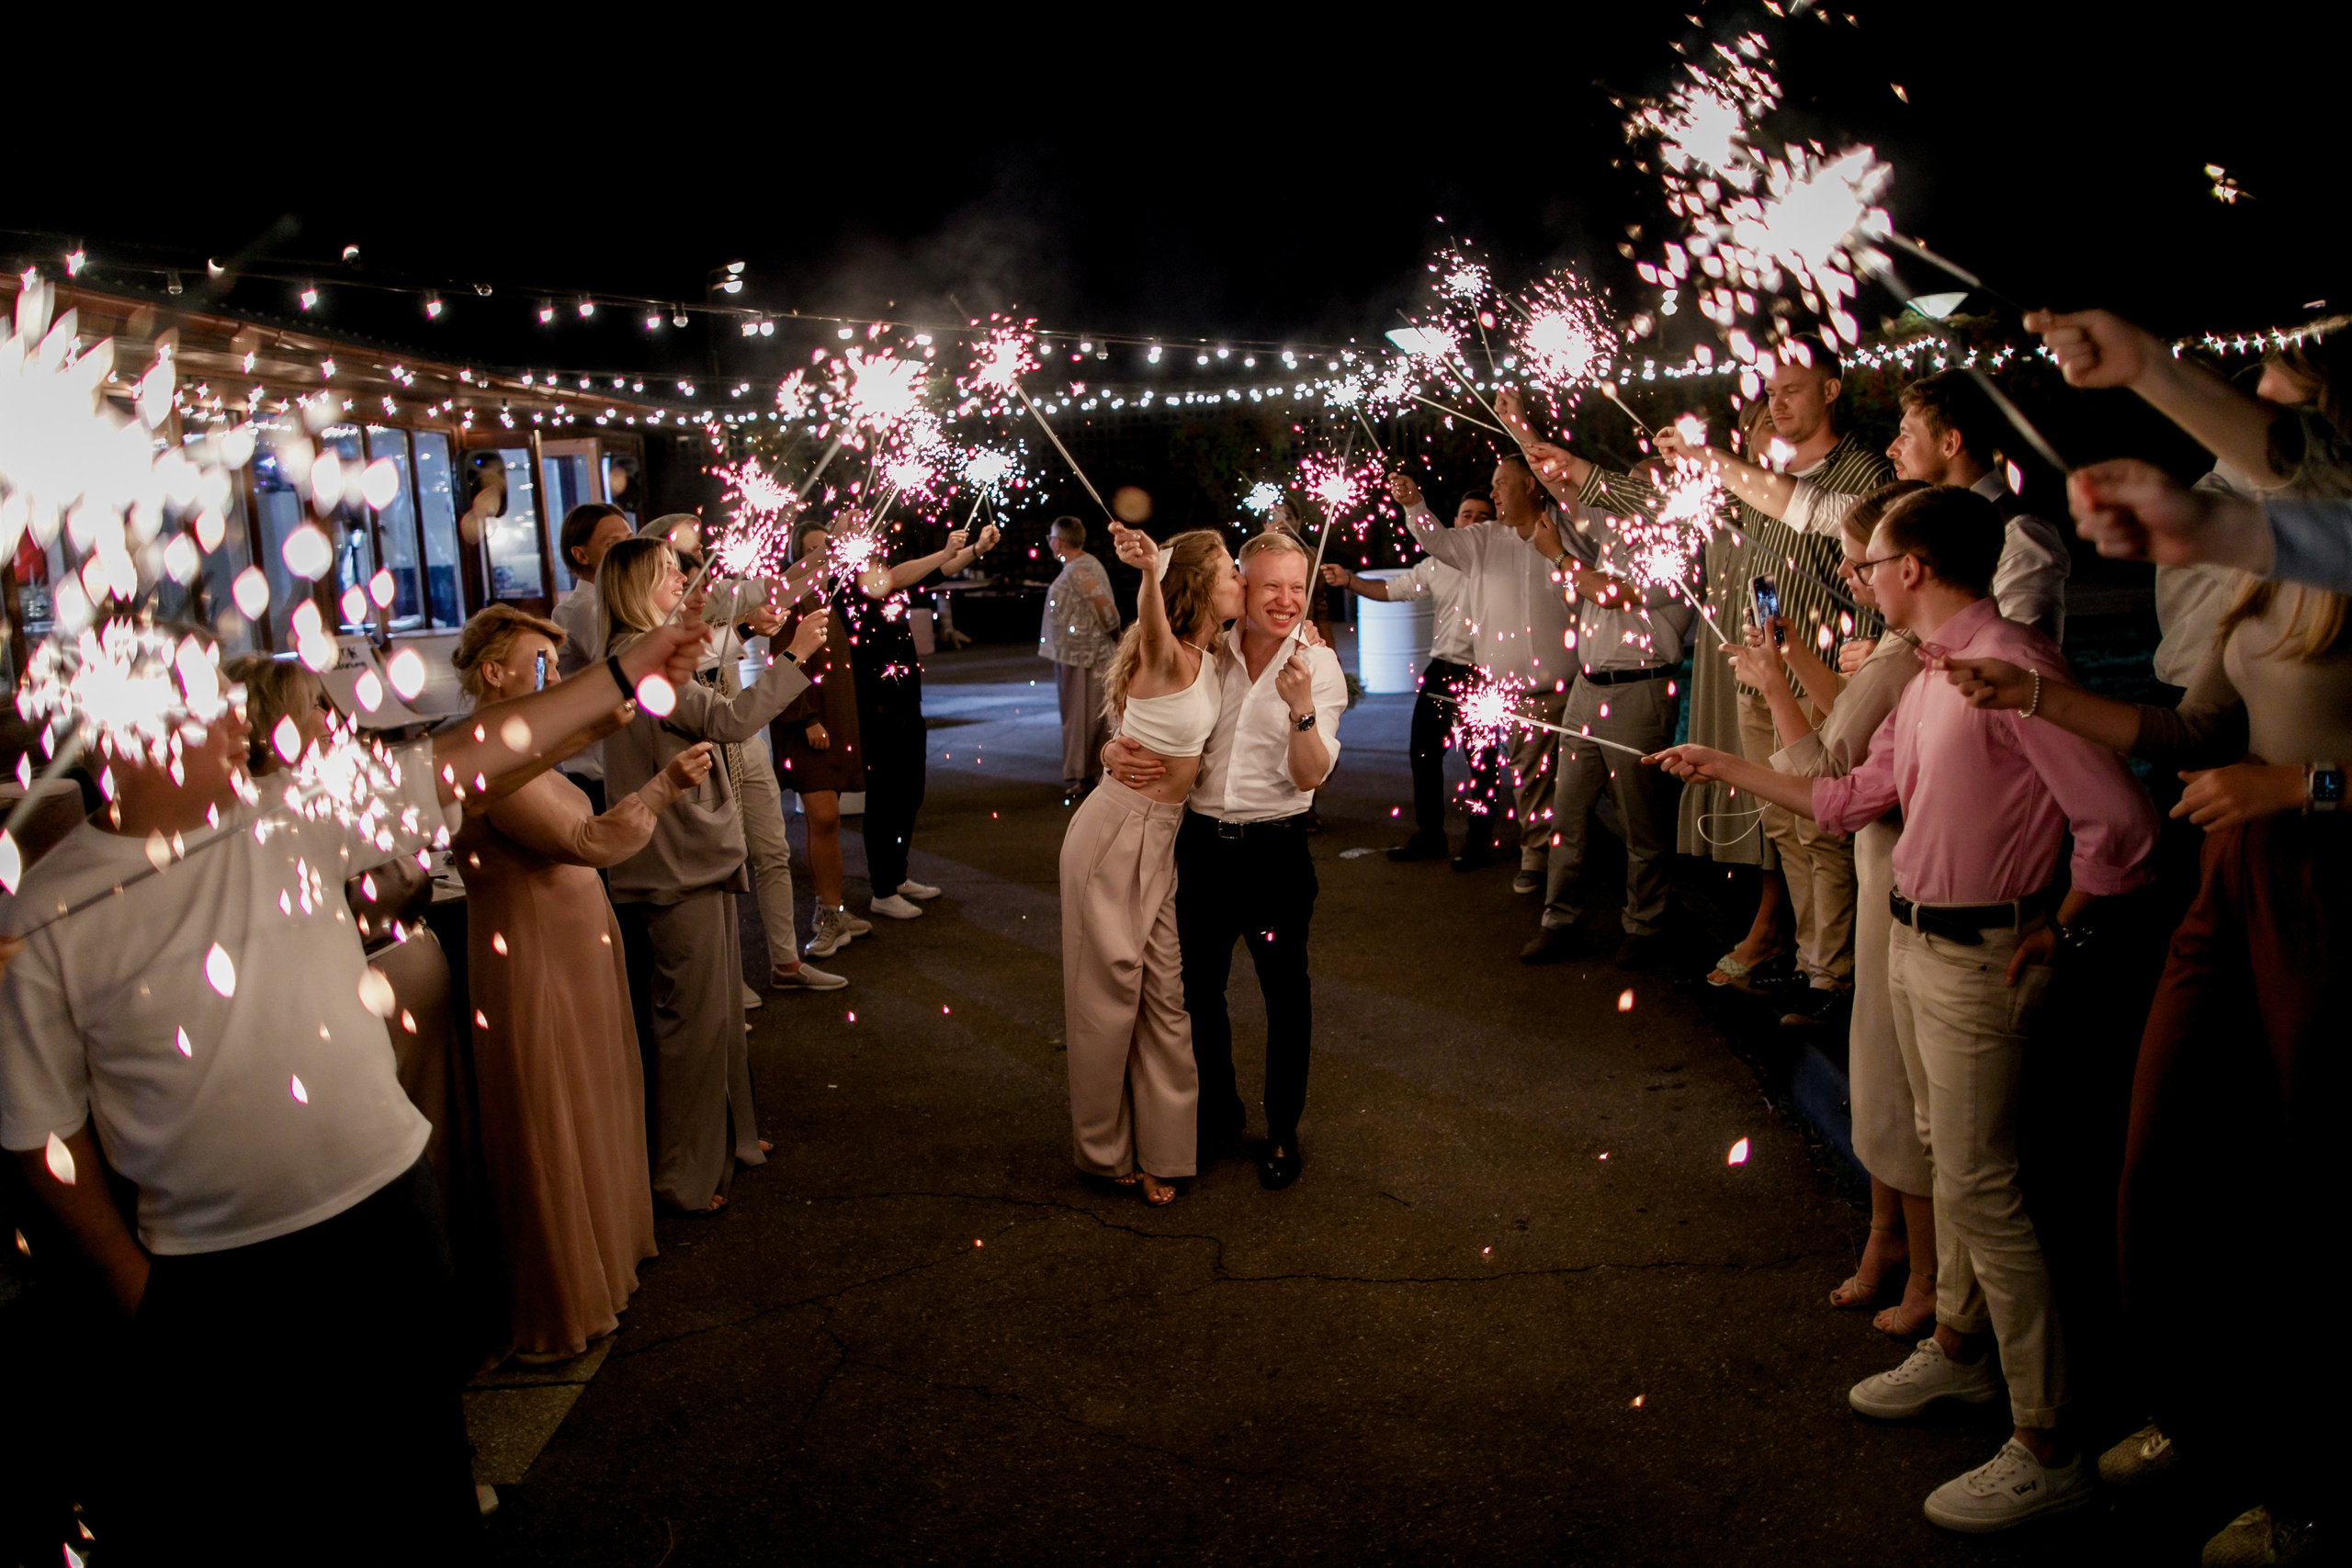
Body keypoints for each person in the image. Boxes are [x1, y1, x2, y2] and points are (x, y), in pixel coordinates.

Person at [0, 613, 707, 1557]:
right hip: (216, 1271)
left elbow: (477, 753)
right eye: (213, 707)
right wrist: (138, 1290)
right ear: (134, 729)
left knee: (419, 1482)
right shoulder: (47, 913)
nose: (240, 726)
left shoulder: (289, 811)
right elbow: (42, 1138)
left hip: (389, 1216)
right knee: (275, 1512)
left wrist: (624, 670)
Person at [1650, 485, 2158, 1533]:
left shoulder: (2009, 671)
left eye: (1869, 560)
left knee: (1985, 1189)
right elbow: (1848, 801)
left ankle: (2047, 1441)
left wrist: (2059, 925)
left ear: (1916, 567)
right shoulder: (1930, 675)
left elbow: (2121, 826)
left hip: (1982, 960)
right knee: (1947, 1159)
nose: (1856, 574)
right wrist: (1721, 763)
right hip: (1919, 947)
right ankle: (1964, 1355)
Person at [1939, 497, 2348, 1568]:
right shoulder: (2270, 573)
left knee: (2311, 1198)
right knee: (2166, 1161)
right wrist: (2032, 695)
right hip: (2231, 879)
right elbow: (2189, 732)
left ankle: (2312, 1492)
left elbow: (2272, 762)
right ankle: (2206, 1413)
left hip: (2326, 886)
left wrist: (2304, 787)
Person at [449, 605, 721, 1364]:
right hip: (534, 960)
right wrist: (663, 788)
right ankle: (565, 1288)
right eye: (539, 666)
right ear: (493, 672)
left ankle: (609, 1249)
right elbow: (586, 838)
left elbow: (585, 736)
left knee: (592, 1094)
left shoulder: (518, 745)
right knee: (551, 1111)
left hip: (571, 945)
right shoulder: (488, 761)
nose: (553, 681)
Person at [1731, 480, 1942, 1336]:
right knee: (1884, 1081)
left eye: (1865, 562)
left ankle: (1929, 1280)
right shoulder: (1894, 648)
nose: (1851, 578)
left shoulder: (1909, 657)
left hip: (1908, 877)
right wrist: (1790, 664)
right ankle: (1890, 1240)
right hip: (1886, 867)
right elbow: (1847, 725)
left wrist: (1770, 688)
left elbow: (1828, 773)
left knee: (1902, 1092)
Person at [1638, 351, 1894, 1010]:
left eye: (1792, 390)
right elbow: (1657, 498)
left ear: (1832, 391)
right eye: (1770, 392)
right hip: (1765, 671)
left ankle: (1830, 977)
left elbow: (1853, 554)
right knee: (1784, 824)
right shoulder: (1770, 472)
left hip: (1822, 679)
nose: (1775, 404)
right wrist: (1572, 469)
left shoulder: (1863, 472)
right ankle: (1809, 957)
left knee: (1820, 828)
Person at [1106, 530, 1346, 1190]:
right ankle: (1220, 1111)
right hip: (1203, 849)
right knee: (1195, 992)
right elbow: (1154, 711)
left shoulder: (1317, 666)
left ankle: (1282, 1130)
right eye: (1270, 585)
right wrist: (1111, 750)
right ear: (1241, 582)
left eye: (1298, 587)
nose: (1285, 600)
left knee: (1285, 997)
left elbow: (1309, 777)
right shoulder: (1212, 647)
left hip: (1275, 855)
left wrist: (1301, 712)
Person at [597, 537, 831, 1214]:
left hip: (694, 852)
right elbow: (730, 720)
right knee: (692, 1025)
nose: (683, 580)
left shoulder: (654, 650)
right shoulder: (640, 661)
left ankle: (732, 1145)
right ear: (637, 585)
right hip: (676, 858)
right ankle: (682, 1176)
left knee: (718, 1016)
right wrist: (795, 656)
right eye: (669, 572)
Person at [1060, 526, 1243, 1205]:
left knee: (1166, 997)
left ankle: (1167, 1147)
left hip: (1162, 841)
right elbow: (1151, 624)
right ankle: (1104, 1153)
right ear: (1198, 585)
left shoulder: (1211, 650)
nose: (1242, 580)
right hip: (1113, 835)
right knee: (1107, 1000)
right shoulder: (1168, 648)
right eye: (1231, 571)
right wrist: (1144, 572)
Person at [1518, 479, 1693, 968]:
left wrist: (1556, 556)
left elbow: (1612, 593)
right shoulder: (1610, 543)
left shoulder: (1675, 552)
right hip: (1586, 688)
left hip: (1639, 690)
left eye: (1640, 489)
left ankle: (1645, 925)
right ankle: (1559, 920)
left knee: (1640, 819)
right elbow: (1563, 499)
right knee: (1567, 813)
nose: (1625, 498)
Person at [1396, 458, 1576, 889]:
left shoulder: (1564, 534)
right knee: (1530, 784)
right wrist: (1414, 502)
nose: (1493, 494)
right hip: (1506, 690)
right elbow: (1434, 539)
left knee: (1577, 787)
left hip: (1573, 686)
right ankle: (1535, 860)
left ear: (1531, 486)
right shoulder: (1482, 540)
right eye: (1491, 486)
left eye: (1501, 485)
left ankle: (1583, 859)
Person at [1321, 487, 1491, 863]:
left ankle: (1480, 840)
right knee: (1424, 755)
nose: (1473, 522)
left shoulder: (1499, 561)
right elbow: (1393, 590)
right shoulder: (1438, 562)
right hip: (1442, 671)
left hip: (1485, 677)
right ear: (1454, 520)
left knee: (1483, 762)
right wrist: (1349, 581)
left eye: (1483, 516)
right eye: (1467, 514)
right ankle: (1431, 836)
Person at [841, 519, 999, 921]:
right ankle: (881, 888)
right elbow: (899, 574)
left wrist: (975, 550)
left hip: (906, 703)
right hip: (874, 708)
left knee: (910, 792)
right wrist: (945, 552)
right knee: (884, 797)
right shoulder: (845, 584)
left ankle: (897, 874)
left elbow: (929, 572)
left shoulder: (884, 580)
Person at [775, 521, 869, 964]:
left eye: (826, 547)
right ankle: (825, 912)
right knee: (822, 816)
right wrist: (808, 717)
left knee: (829, 820)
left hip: (836, 719)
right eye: (811, 549)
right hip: (806, 722)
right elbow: (784, 661)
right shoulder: (791, 598)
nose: (822, 555)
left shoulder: (835, 597)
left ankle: (834, 908)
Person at [550, 502, 639, 813]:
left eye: (630, 539)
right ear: (581, 555)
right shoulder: (580, 610)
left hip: (621, 765)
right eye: (614, 544)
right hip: (597, 772)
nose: (628, 550)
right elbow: (630, 665)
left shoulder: (615, 603)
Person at [1040, 514, 1122, 802]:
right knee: (1085, 716)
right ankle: (1091, 771)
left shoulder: (1079, 569)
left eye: (1051, 536)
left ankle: (1087, 774)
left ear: (1058, 541)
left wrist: (1118, 638)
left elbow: (1106, 609)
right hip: (1077, 655)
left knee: (1084, 716)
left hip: (1086, 657)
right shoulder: (1080, 566)